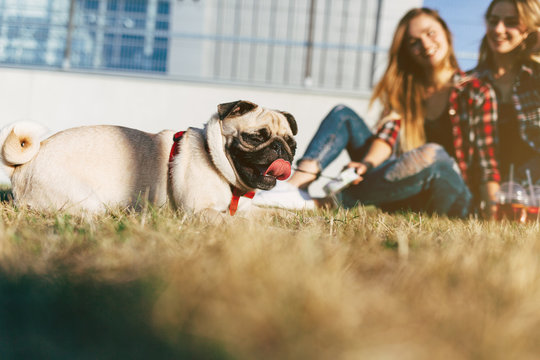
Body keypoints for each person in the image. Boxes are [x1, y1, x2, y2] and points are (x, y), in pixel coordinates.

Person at [253, 7, 501, 218]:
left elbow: (487, 159)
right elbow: (386, 137)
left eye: (430, 33)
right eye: (414, 42)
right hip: (402, 189)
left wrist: (492, 209)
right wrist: (365, 164)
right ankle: (294, 188)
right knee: (343, 115)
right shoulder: (406, 91)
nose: (425, 44)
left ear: (446, 33)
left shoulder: (476, 91)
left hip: (451, 198)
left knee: (432, 153)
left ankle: (323, 204)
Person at [472, 0, 540, 183]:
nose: (498, 29)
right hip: (482, 185)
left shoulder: (535, 77)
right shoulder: (470, 84)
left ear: (530, 29)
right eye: (493, 21)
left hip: (532, 186)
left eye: (511, 22)